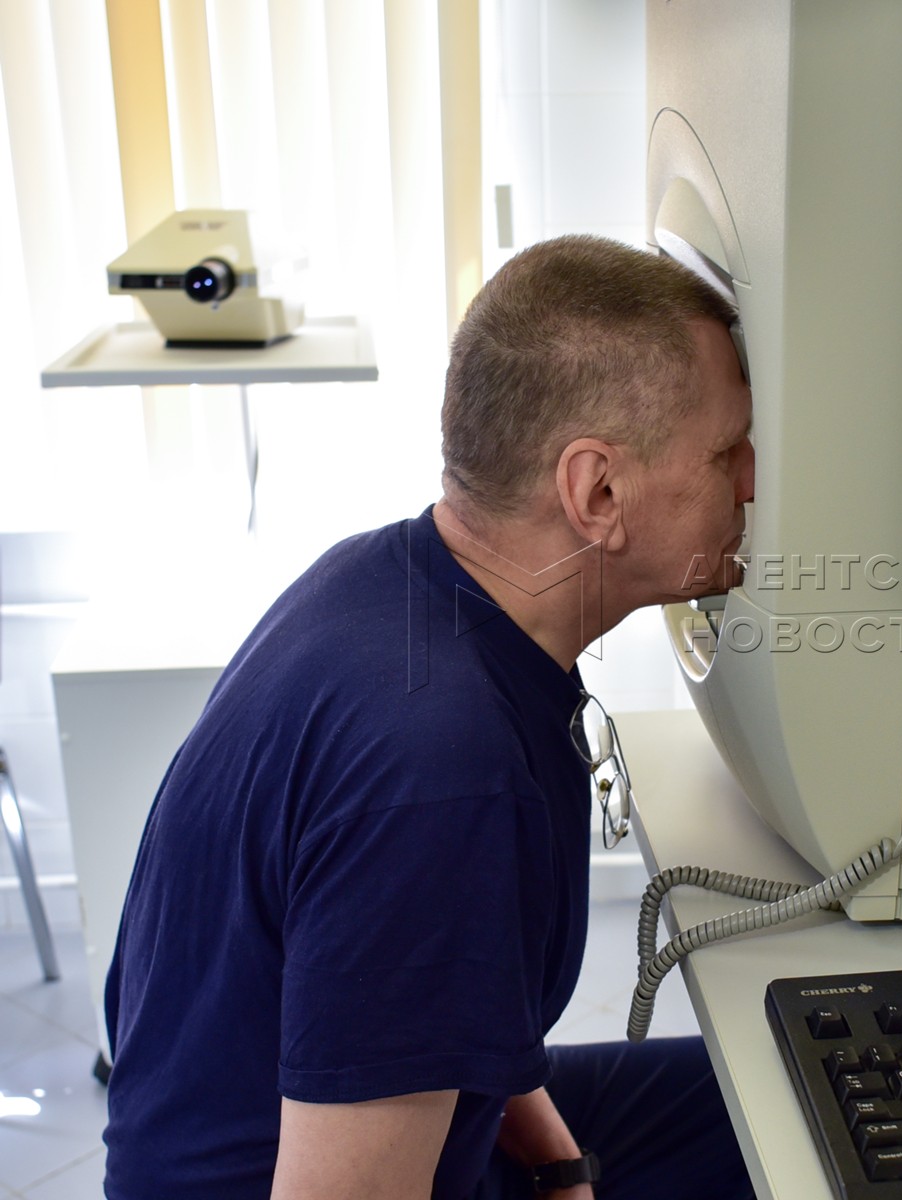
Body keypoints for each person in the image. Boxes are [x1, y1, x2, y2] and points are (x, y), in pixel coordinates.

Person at [102, 236, 757, 1200]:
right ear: (599, 493)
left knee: (784, 1102)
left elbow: (437, 996)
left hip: (378, 1126)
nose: (752, 481)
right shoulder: (443, 775)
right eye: (727, 452)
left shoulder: (384, 578)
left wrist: (562, 1165)